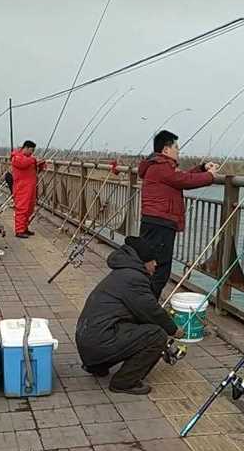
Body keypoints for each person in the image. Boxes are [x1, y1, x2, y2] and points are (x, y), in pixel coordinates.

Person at [75, 236, 184, 395]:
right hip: (97, 343)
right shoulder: (134, 279)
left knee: (136, 327)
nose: (156, 264)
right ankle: (124, 382)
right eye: (152, 260)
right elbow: (152, 311)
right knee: (156, 335)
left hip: (88, 342)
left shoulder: (122, 272)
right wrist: (173, 330)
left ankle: (97, 366)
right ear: (143, 262)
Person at [138, 130, 217, 300]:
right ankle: (147, 308)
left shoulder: (157, 166)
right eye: (176, 148)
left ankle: (143, 304)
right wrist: (209, 176)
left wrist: (202, 168)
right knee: (160, 270)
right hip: (161, 224)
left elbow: (181, 177)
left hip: (154, 222)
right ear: (166, 150)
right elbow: (185, 181)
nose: (178, 151)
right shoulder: (161, 167)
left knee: (150, 265)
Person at [11, 140, 46, 238]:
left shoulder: (29, 158)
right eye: (31, 150)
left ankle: (24, 228)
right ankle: (19, 230)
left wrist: (41, 165)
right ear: (25, 148)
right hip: (22, 188)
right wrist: (34, 160)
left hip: (30, 188)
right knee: (22, 209)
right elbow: (22, 163)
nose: (32, 153)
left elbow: (35, 169)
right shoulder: (17, 157)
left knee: (29, 209)